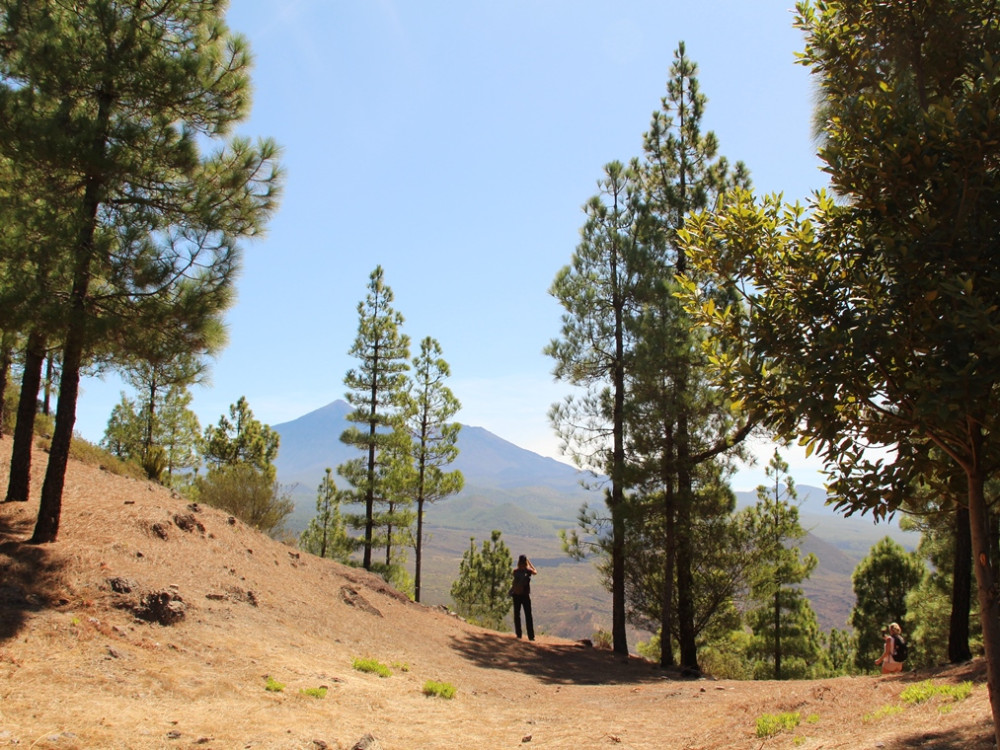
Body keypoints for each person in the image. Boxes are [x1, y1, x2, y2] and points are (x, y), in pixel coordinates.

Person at [510, 554, 537, 641]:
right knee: (528, 615)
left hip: (516, 595)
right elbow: (535, 571)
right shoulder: (528, 571)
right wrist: (529, 563)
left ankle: (519, 635)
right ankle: (531, 636)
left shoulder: (515, 571)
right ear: (525, 562)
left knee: (517, 615)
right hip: (525, 595)